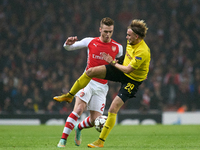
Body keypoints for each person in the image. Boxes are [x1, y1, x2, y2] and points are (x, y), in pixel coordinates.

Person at [55, 19, 150, 148]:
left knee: (97, 119)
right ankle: (63, 139)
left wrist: (113, 63)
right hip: (89, 83)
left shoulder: (125, 48)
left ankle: (81, 129)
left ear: (136, 36)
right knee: (79, 106)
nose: (108, 34)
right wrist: (67, 44)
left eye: (110, 32)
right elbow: (69, 48)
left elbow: (124, 66)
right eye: (105, 31)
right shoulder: (91, 41)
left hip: (119, 82)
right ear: (100, 29)